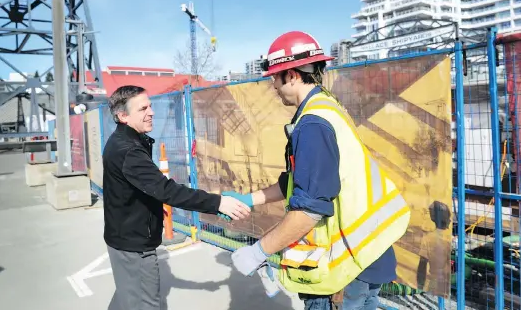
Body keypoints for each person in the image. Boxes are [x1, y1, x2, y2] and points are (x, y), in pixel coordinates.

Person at [226, 31, 411, 310]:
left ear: (291, 75)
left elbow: (310, 209)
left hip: (346, 266)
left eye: (274, 79)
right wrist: (250, 200)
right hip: (369, 250)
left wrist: (258, 251)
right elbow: (298, 181)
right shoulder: (327, 107)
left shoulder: (312, 124)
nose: (273, 87)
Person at [102, 85, 251, 310]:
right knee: (143, 304)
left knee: (126, 298)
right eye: (143, 108)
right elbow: (168, 191)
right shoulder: (129, 150)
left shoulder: (123, 142)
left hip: (124, 239)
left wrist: (150, 207)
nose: (151, 112)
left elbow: (141, 189)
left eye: (150, 106)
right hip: (133, 245)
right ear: (123, 116)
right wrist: (218, 202)